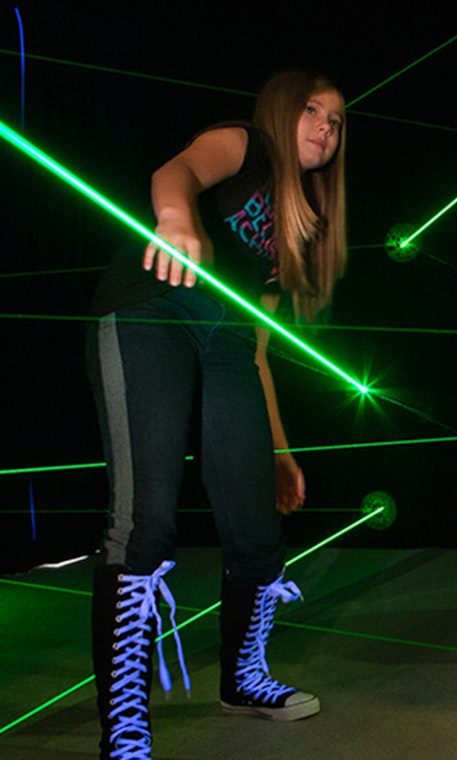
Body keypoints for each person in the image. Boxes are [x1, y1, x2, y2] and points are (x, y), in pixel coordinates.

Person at [85, 68, 348, 759]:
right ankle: (125, 729)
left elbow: (260, 348)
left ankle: (244, 679)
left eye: (337, 120)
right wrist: (175, 217)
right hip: (152, 311)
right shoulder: (245, 143)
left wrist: (280, 450)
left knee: (256, 524)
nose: (327, 126)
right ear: (281, 110)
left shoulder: (299, 223)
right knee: (144, 523)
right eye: (313, 110)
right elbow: (178, 170)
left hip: (228, 343)